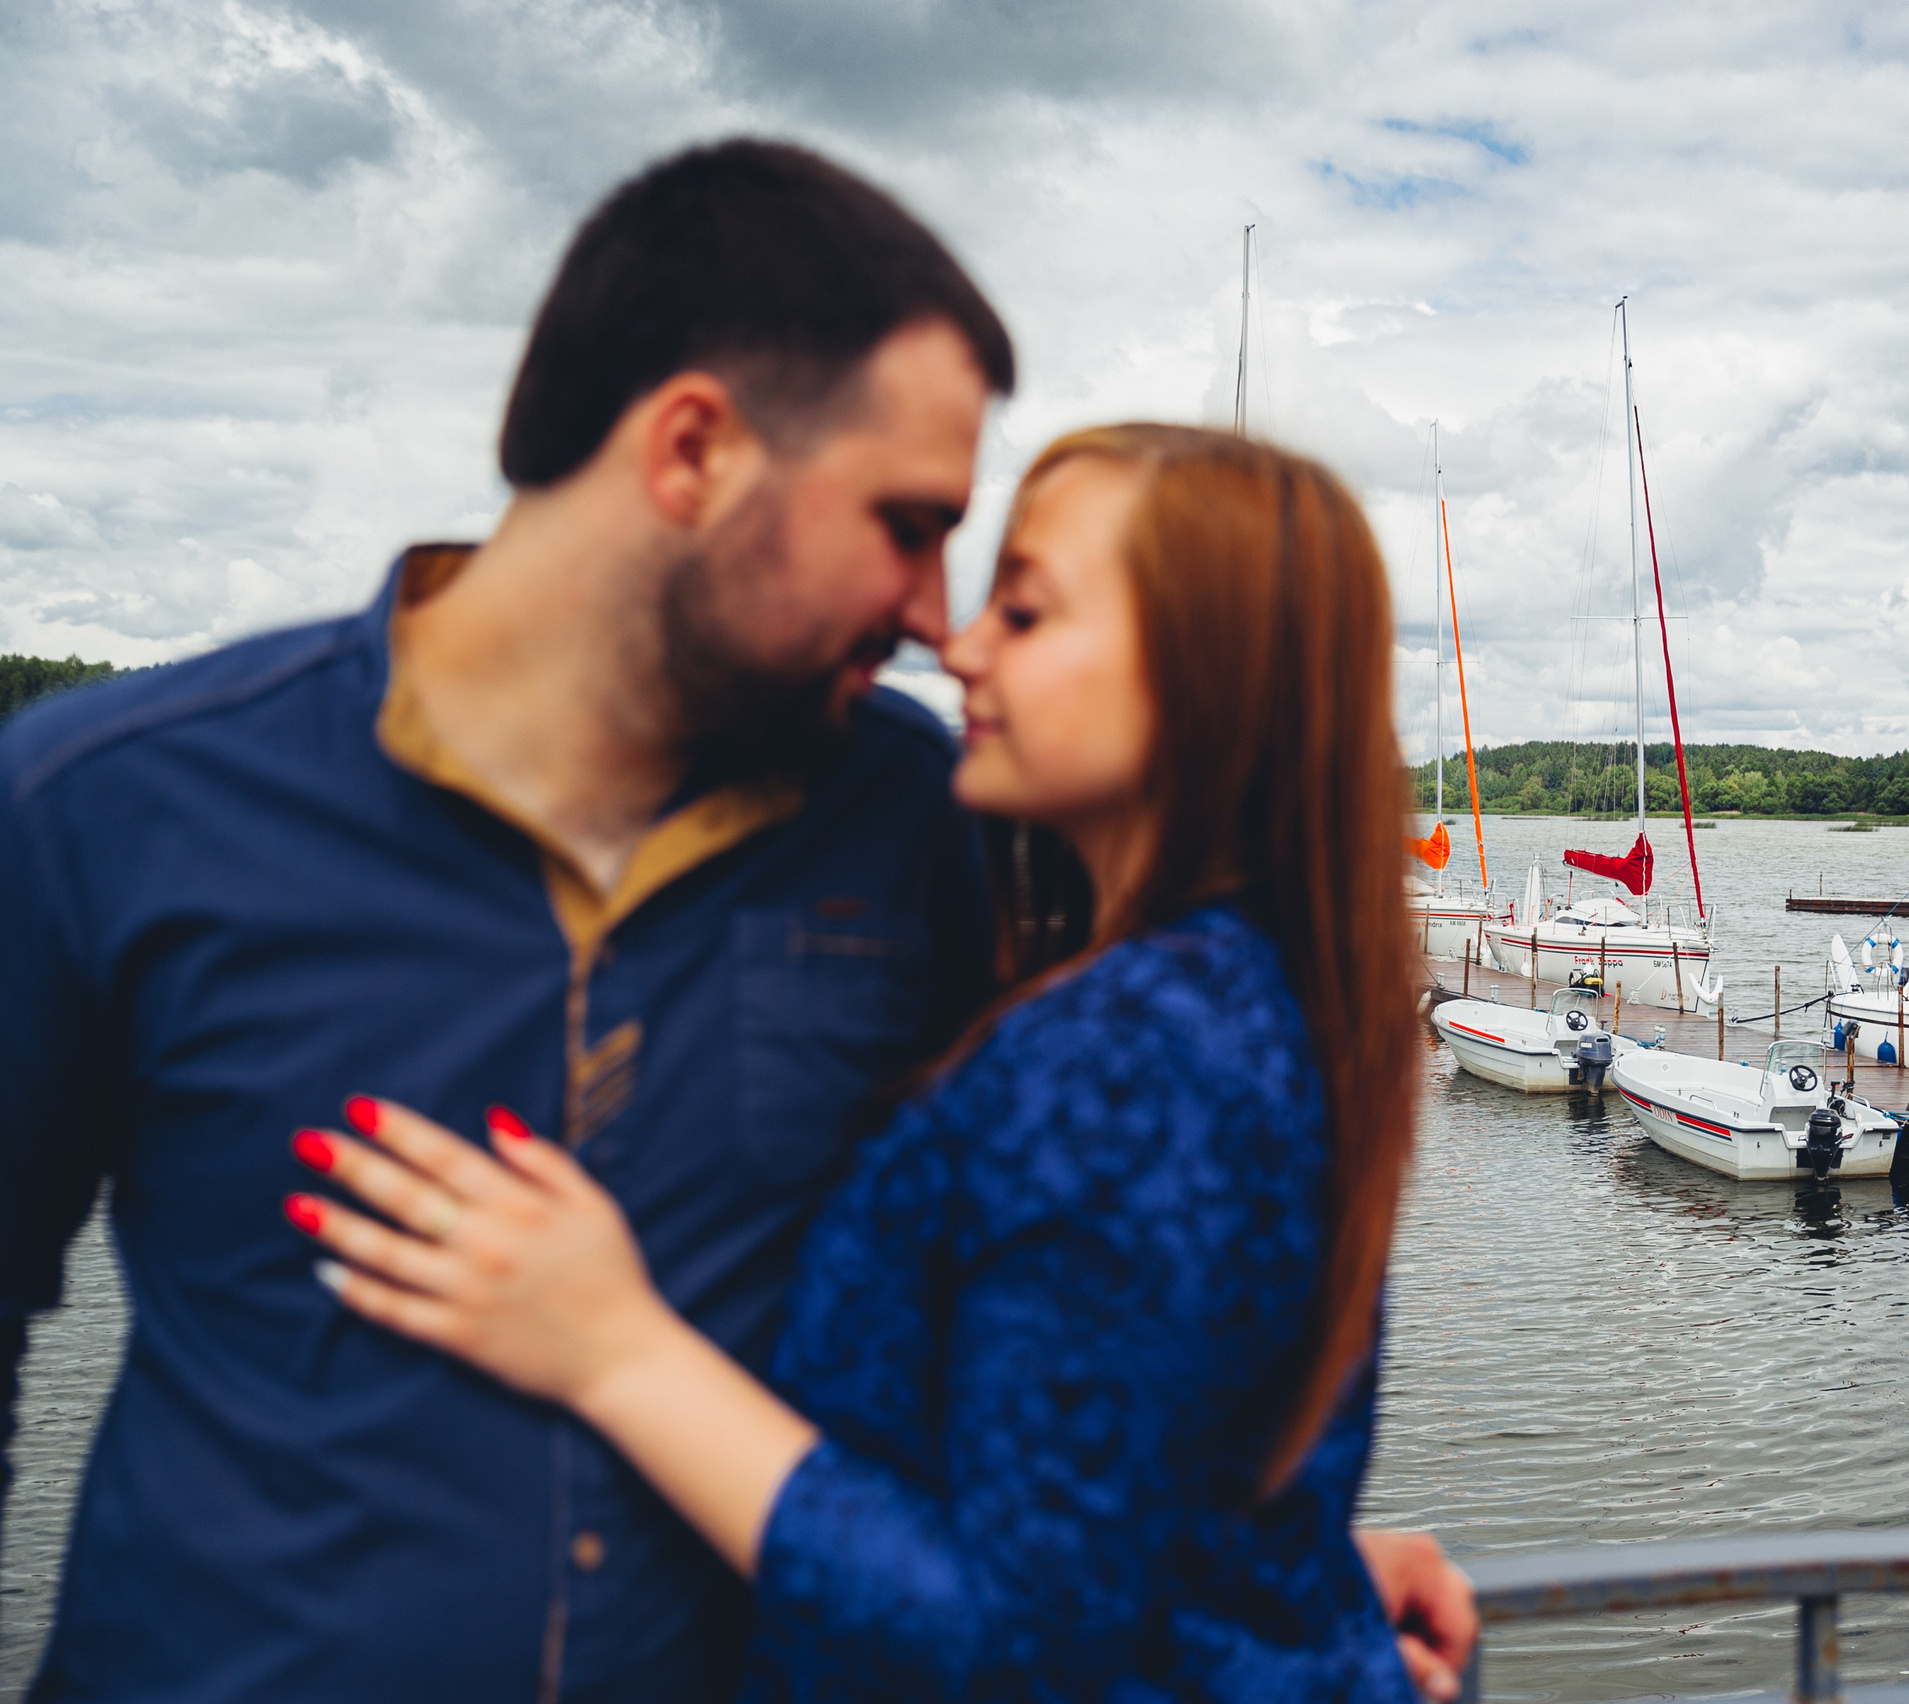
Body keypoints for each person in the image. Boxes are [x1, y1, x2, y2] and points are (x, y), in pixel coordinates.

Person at [0, 141, 1471, 1701]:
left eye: (1000, 586)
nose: (934, 619)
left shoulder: (935, 825)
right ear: (693, 451)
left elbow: (1119, 1306)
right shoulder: (98, 805)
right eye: (907, 525)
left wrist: (1239, 1567)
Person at [284, 424, 1439, 1699]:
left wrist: (614, 1349)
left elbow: (1016, 1647)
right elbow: (1127, 1456)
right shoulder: (1272, 998)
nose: (960, 645)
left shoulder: (1120, 1053)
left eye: (1025, 608)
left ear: (1202, 674)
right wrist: (1266, 1566)